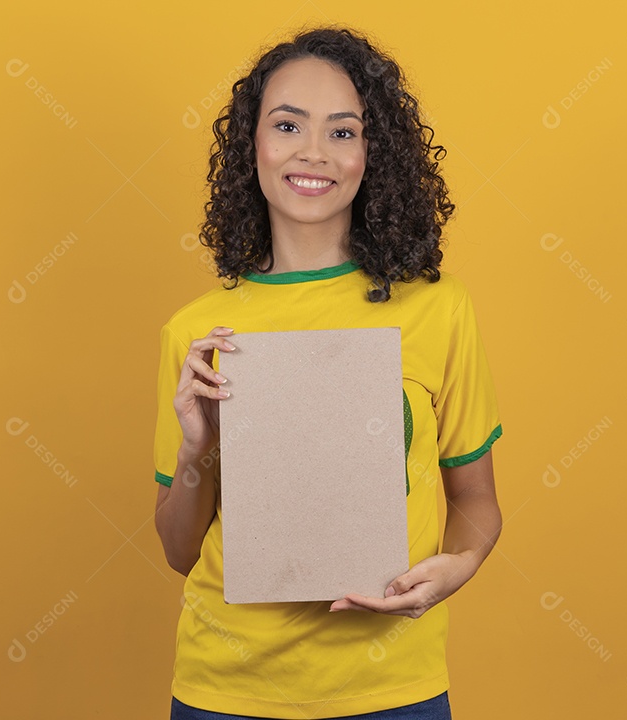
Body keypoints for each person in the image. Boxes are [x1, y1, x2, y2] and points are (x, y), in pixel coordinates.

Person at [152, 25, 504, 720]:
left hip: (392, 687)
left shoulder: (437, 308)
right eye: (288, 125)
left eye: (343, 132)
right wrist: (198, 444)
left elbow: (476, 499)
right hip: (227, 688)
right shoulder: (197, 330)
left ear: (374, 154)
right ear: (252, 142)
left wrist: (456, 568)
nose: (314, 153)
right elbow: (178, 549)